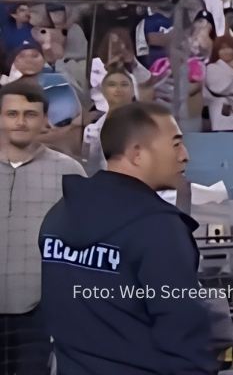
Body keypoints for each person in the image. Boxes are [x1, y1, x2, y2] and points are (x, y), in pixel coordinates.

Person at [39, 102, 216, 375]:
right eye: (176, 144)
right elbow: (183, 325)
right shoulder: (158, 227)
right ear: (137, 154)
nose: (185, 156)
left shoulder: (59, 214)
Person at [0, 81, 85, 375]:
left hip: (38, 313)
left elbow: (82, 243)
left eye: (30, 114)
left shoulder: (69, 172)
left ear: (45, 120)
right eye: (12, 114)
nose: (21, 122)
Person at [81, 65, 134, 175]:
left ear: (133, 91)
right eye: (112, 85)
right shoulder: (92, 131)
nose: (118, 89)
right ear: (103, 91)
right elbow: (89, 167)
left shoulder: (147, 125)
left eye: (124, 84)